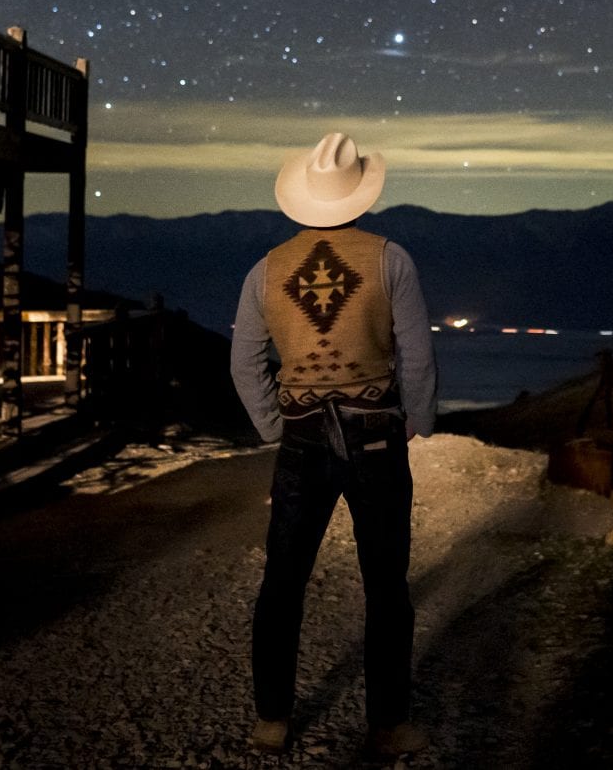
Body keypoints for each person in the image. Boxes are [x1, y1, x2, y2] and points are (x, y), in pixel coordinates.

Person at [230, 132, 437, 758]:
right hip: (375, 437)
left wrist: (275, 425)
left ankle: (272, 719)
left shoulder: (265, 270)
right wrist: (415, 421)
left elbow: (244, 364)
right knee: (386, 586)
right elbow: (418, 357)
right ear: (360, 193)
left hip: (300, 439)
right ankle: (388, 724)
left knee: (283, 581)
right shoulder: (389, 259)